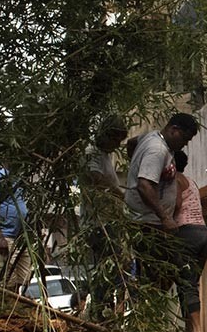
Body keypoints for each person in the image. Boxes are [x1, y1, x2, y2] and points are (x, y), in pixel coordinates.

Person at [124, 113, 200, 317]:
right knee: (160, 272)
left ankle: (149, 317)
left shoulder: (151, 139)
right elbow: (144, 184)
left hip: (151, 221)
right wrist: (165, 217)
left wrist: (133, 162)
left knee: (157, 273)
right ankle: (147, 316)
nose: (184, 144)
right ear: (173, 129)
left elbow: (131, 143)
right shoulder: (157, 150)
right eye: (184, 139)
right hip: (149, 223)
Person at [79, 117, 130, 315]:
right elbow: (96, 181)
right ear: (107, 135)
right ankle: (102, 310)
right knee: (106, 267)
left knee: (113, 267)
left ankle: (106, 310)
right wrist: (121, 194)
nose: (117, 146)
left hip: (109, 219)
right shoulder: (92, 153)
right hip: (98, 221)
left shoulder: (104, 155)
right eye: (116, 140)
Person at [173, 150, 207, 332]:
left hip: (186, 233)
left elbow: (176, 205)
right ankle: (189, 331)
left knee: (187, 283)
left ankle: (197, 331)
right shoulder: (191, 181)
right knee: (188, 282)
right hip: (203, 234)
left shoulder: (176, 180)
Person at [0, 166, 31, 287]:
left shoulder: (18, 176)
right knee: (6, 279)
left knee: (24, 278)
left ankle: (17, 304)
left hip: (20, 236)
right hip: (4, 234)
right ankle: (5, 304)